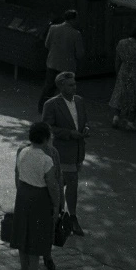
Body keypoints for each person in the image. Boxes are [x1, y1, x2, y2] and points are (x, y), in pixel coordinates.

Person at [11, 122, 62, 270]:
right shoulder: (46, 160)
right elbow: (52, 185)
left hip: (23, 195)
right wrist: (56, 204)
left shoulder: (23, 152)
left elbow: (17, 174)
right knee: (36, 237)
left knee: (23, 233)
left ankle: (23, 269)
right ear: (46, 139)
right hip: (39, 199)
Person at [41, 72, 88, 236]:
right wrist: (68, 133)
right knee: (71, 183)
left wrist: (84, 130)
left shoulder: (80, 101)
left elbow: (82, 121)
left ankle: (53, 211)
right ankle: (71, 218)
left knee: (64, 183)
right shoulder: (52, 104)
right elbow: (47, 128)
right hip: (63, 152)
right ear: (61, 86)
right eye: (70, 85)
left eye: (74, 84)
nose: (74, 87)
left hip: (77, 151)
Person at [37, 11, 86, 114]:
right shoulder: (76, 34)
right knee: (66, 90)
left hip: (52, 63)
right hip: (67, 66)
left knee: (49, 87)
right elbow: (79, 54)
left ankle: (42, 108)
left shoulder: (53, 28)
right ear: (73, 19)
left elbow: (47, 44)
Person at [109, 26, 136, 130]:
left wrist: (118, 72)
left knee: (120, 94)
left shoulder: (121, 42)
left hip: (123, 70)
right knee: (135, 96)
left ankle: (116, 117)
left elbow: (117, 60)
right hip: (135, 73)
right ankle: (130, 122)